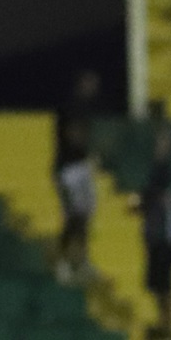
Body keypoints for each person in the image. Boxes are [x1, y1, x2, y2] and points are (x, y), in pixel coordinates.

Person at [141, 110, 171, 340]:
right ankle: (164, 324)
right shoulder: (158, 171)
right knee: (159, 284)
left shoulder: (165, 172)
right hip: (157, 236)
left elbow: (156, 200)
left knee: (164, 283)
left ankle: (168, 325)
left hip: (164, 237)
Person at [54, 72, 102, 283]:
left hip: (80, 166)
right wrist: (90, 149)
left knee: (84, 214)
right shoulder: (71, 106)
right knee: (74, 215)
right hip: (69, 168)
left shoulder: (85, 107)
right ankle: (62, 262)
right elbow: (73, 136)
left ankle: (81, 261)